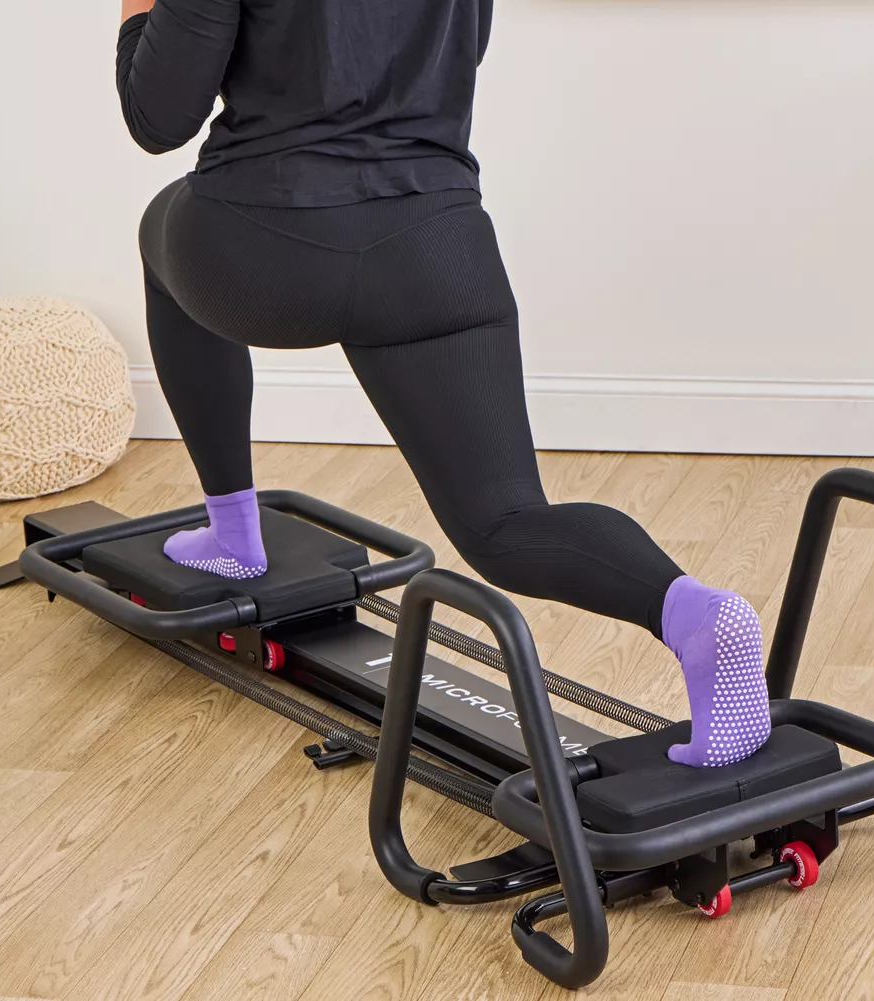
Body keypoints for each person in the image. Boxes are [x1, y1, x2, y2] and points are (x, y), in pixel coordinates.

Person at [115, 0, 770, 767]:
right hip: (435, 247)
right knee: (509, 522)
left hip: (265, 248)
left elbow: (159, 118)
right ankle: (693, 611)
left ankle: (234, 534)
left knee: (161, 231)